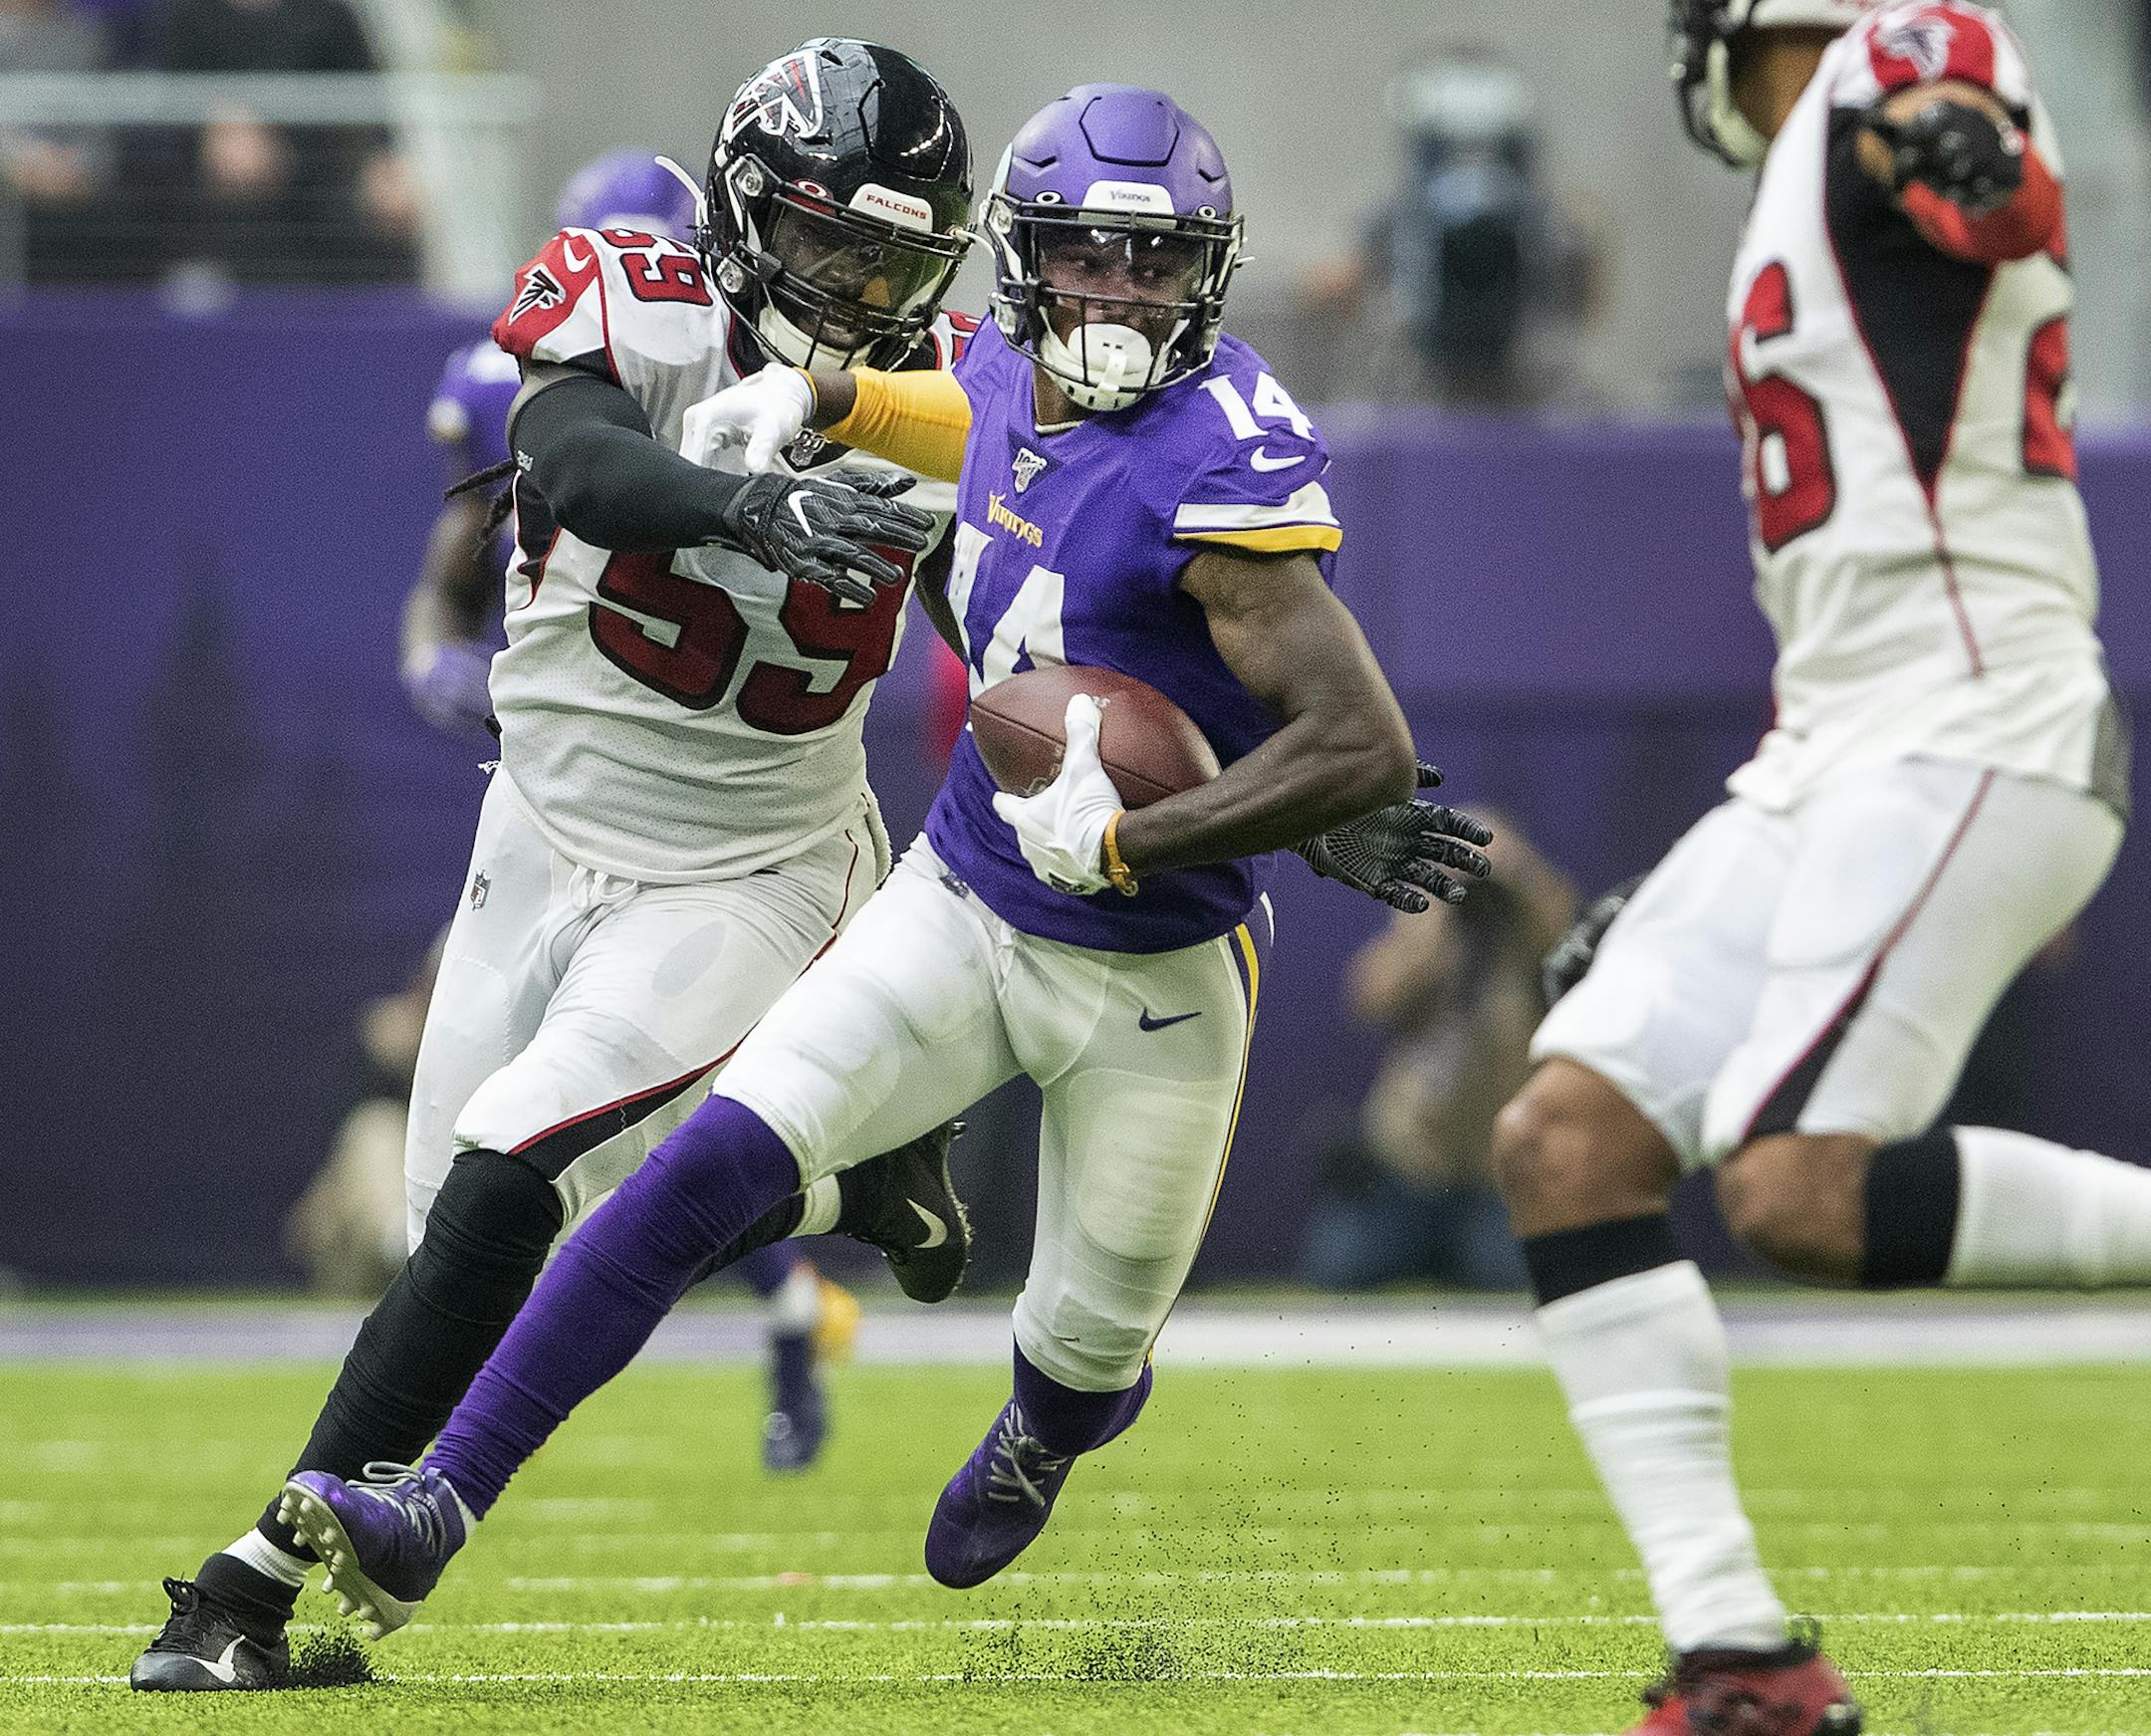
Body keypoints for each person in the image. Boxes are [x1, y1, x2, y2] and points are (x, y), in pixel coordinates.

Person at [265, 82, 1495, 1641]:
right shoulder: (988, 369)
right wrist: (816, 410)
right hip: (969, 895)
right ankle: (439, 1496)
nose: (1114, 295)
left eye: (1154, 263)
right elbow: (943, 409)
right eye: (1085, 258)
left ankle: (1048, 1430)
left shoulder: (1220, 451)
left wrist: (1156, 829)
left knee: (1087, 1342)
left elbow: (1360, 743)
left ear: (1211, 274)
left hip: (1157, 963)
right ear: (1025, 259)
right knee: (707, 1162)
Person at [130, 39, 980, 1692]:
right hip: (535, 825)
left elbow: (1014, 617)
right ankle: (840, 1173)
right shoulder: (631, 285)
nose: (863, 285)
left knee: (520, 1169)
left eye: (896, 255)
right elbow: (575, 459)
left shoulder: (941, 400)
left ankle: (236, 1597)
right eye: (829, 243)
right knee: (452, 1237)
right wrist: (746, 505)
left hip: (753, 867)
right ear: (741, 219)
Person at [1493, 3, 2145, 1729]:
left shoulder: (1890, 56)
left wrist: (1972, 164)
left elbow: (1970, 157)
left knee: (1794, 1188)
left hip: (1974, 718)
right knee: (1570, 1140)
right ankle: (1741, 1660)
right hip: (1846, 745)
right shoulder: (1806, 168)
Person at [407, 147, 870, 1473]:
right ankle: (800, 1276)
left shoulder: (813, 384)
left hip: (719, 819)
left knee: (629, 1132)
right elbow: (448, 580)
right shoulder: (545, 364)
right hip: (554, 790)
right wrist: (452, 668)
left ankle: (817, 1246)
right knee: (473, 1184)